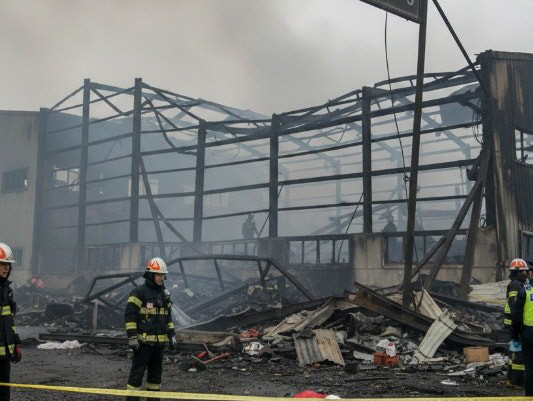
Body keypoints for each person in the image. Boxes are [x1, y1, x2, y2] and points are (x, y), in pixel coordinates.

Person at [124, 257, 176, 401]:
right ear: (151, 275)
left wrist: (172, 334)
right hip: (143, 344)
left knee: (155, 377)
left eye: (163, 275)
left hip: (159, 345)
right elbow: (130, 316)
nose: (162, 278)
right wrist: (132, 337)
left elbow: (168, 317)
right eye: (159, 274)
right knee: (137, 375)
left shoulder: (164, 294)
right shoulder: (139, 293)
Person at [0, 243, 21, 401]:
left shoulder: (6, 291)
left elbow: (9, 322)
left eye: (8, 264)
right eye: (2, 264)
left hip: (4, 357)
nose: (6, 268)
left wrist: (16, 344)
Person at [510, 258, 533, 395]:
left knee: (530, 367)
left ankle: (530, 395)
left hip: (529, 333)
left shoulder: (525, 291)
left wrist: (515, 334)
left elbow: (517, 316)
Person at [505, 258, 529, 388]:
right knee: (519, 353)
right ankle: (518, 381)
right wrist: (517, 325)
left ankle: (511, 378)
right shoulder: (516, 285)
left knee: (514, 351)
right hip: (514, 322)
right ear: (519, 272)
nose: (526, 274)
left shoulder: (516, 283)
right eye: (525, 271)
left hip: (512, 322)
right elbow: (515, 306)